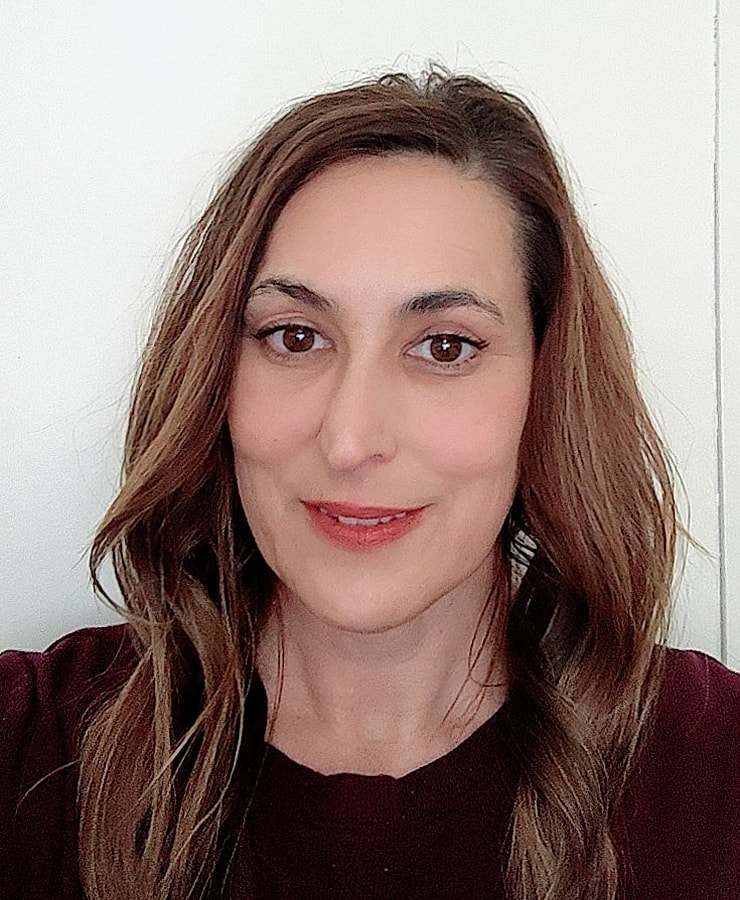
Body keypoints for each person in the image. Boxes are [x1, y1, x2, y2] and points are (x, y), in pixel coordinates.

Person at [1, 69, 738, 900]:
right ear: (216, 377)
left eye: (446, 347)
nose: (350, 440)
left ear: (548, 389)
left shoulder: (716, 770)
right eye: (293, 336)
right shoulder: (27, 748)